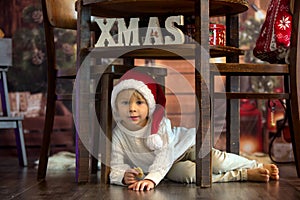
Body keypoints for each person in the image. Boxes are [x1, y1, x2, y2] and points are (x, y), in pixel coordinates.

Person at [109, 70, 279, 191]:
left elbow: (165, 154)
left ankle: (254, 165)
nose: (131, 109)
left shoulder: (159, 125)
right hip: (165, 168)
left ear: (151, 106)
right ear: (116, 106)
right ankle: (243, 174)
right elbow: (116, 165)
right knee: (190, 174)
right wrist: (123, 176)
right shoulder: (119, 134)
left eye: (139, 103)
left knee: (217, 161)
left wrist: (151, 179)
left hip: (183, 147)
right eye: (125, 103)